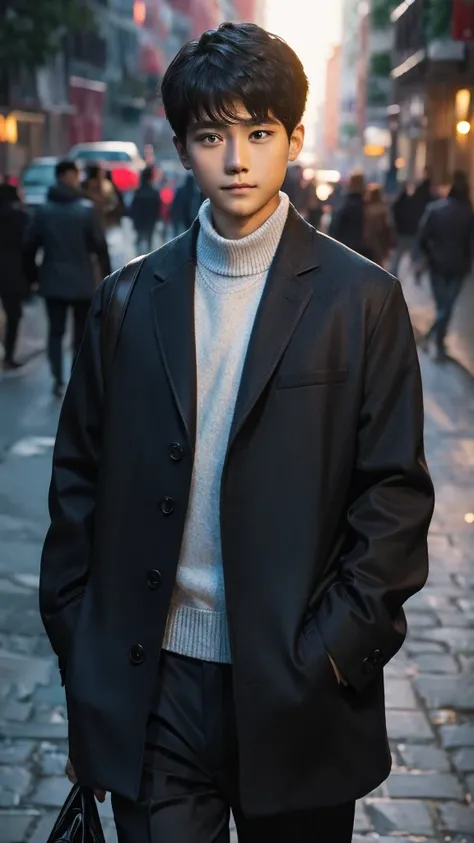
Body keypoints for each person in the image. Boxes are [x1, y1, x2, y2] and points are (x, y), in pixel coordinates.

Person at [40, 23, 434, 843]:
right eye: (212, 135)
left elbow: (393, 499)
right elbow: (77, 491)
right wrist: (91, 664)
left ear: (292, 138)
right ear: (184, 148)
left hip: (298, 686)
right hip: (154, 691)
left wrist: (328, 653)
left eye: (259, 133)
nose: (237, 158)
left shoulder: (361, 302)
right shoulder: (126, 300)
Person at [25, 159, 110, 397]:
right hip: (82, 281)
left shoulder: (43, 212)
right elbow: (100, 248)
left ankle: (57, 378)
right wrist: (107, 278)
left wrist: (33, 277)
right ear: (66, 176)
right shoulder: (86, 210)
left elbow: (29, 247)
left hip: (52, 280)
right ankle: (74, 377)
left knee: (56, 331)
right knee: (80, 335)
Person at [418, 169, 474, 362]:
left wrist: (427, 257)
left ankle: (432, 340)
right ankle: (436, 342)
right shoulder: (468, 214)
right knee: (446, 307)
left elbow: (423, 238)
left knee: (444, 306)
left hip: (438, 264)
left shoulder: (435, 209)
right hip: (458, 266)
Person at [0, 184, 32, 370]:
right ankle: (9, 355)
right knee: (13, 316)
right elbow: (28, 250)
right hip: (12, 272)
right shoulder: (21, 218)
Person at [328, 171, 371, 257]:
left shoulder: (345, 203)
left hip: (345, 248)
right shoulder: (365, 205)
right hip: (361, 249)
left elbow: (335, 226)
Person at [389, 182, 420, 277]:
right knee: (414, 259)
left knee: (396, 259)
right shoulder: (414, 203)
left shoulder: (397, 204)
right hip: (412, 233)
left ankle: (393, 277)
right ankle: (415, 276)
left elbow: (393, 221)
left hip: (401, 234)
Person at [129, 166, 161, 254]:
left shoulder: (138, 192)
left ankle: (138, 259)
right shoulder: (154, 193)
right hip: (150, 221)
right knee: (149, 241)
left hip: (139, 221)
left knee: (139, 240)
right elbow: (157, 209)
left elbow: (133, 208)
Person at [363, 183, 394, 267]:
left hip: (369, 243)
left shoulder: (367, 210)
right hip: (380, 243)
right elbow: (388, 228)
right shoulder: (384, 210)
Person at [82, 164, 120, 230]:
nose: (102, 173)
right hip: (91, 214)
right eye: (101, 172)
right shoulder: (87, 184)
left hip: (105, 215)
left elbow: (112, 200)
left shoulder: (107, 185)